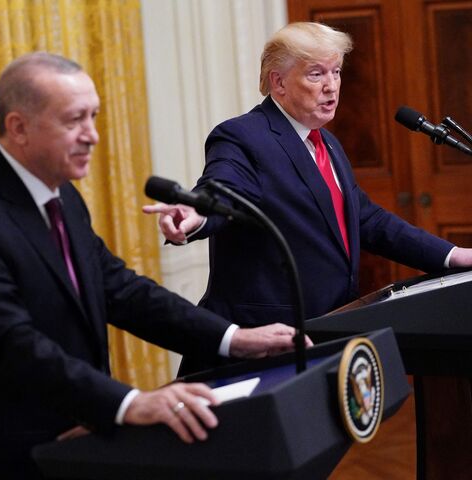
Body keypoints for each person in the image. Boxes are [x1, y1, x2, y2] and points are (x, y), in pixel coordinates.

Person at [0, 52, 306, 480]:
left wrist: (234, 338)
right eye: (74, 120)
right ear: (18, 127)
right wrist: (128, 403)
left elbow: (120, 290)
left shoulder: (62, 195)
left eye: (95, 116)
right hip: (14, 447)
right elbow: (11, 342)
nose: (93, 136)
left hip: (77, 434)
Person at [144, 22, 472, 374]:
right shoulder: (243, 136)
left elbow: (365, 219)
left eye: (336, 72)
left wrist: (452, 255)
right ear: (279, 82)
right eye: (316, 74)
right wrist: (196, 213)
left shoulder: (326, 143)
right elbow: (225, 188)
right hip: (262, 345)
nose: (331, 86)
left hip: (327, 332)